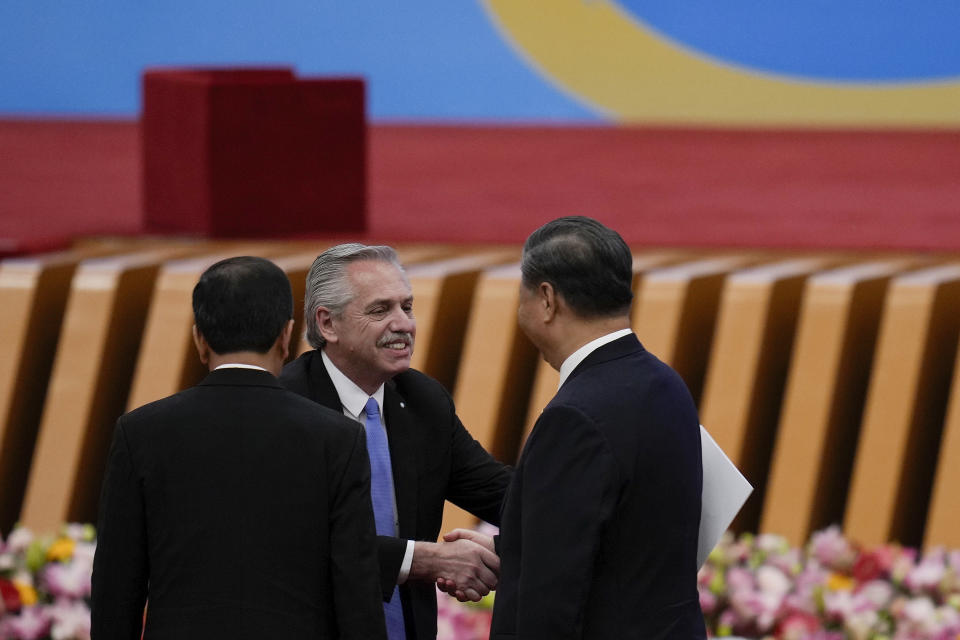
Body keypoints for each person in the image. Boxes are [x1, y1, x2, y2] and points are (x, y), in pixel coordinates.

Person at [91, 256, 385, 640]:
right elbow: (357, 591)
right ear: (286, 336)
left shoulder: (140, 432)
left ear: (199, 338)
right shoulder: (337, 437)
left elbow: (116, 588)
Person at [447, 216, 706, 638]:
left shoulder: (574, 417)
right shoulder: (664, 382)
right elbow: (625, 539)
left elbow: (550, 605)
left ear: (547, 299)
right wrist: (514, 548)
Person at [280, 243, 511, 640]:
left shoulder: (423, 400)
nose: (403, 324)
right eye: (380, 309)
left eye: (407, 306)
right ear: (327, 324)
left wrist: (508, 547)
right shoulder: (286, 408)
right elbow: (295, 542)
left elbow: (501, 493)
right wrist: (423, 559)